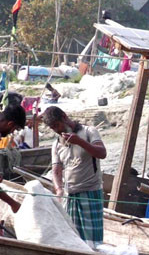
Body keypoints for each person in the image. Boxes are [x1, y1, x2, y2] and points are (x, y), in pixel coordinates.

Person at [43, 105, 107, 247]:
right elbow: (56, 170)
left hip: (90, 192)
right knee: (72, 237)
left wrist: (79, 142)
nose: (57, 130)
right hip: (69, 195)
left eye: (57, 125)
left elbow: (102, 153)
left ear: (64, 117)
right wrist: (59, 189)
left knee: (93, 242)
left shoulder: (89, 132)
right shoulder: (56, 144)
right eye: (53, 128)